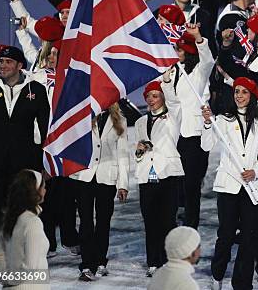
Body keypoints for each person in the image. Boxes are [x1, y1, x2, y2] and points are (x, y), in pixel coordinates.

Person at [201, 77, 258, 290]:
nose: (239, 96)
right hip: (229, 185)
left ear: (252, 96)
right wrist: (207, 123)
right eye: (236, 92)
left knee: (250, 237)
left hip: (252, 187)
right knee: (226, 234)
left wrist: (256, 171)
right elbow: (206, 145)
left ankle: (242, 283)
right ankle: (218, 274)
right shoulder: (222, 120)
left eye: (244, 92)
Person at [0, 46, 49, 266]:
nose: (3, 66)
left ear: (20, 66)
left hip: (25, 163)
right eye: (1, 62)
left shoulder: (37, 90)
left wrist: (45, 161)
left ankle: (21, 253)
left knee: (22, 210)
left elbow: (45, 129)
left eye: (8, 62)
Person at [71, 103, 129, 281]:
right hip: (85, 177)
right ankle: (87, 263)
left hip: (107, 177)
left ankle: (100, 259)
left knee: (104, 221)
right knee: (86, 221)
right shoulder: (83, 116)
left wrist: (123, 184)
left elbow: (123, 154)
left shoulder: (120, 120)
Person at [135, 70, 184, 277]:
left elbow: (174, 101)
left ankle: (169, 261)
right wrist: (139, 151)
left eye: (155, 96)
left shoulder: (172, 116)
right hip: (147, 176)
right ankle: (153, 262)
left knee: (167, 221)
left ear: (162, 97)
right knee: (150, 221)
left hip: (169, 175)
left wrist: (165, 81)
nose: (151, 100)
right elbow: (138, 154)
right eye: (148, 97)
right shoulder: (139, 122)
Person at [171, 26, 215, 229]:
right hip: (173, 134)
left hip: (194, 134)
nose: (175, 53)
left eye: (179, 50)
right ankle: (174, 218)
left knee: (191, 184)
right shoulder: (171, 72)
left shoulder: (199, 72)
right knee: (173, 181)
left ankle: (191, 224)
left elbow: (208, 60)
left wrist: (198, 37)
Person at [0, 170, 49, 290]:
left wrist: (7, 279)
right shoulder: (33, 223)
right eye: (43, 187)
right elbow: (31, 266)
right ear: (35, 191)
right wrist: (13, 280)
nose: (45, 191)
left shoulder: (11, 218)